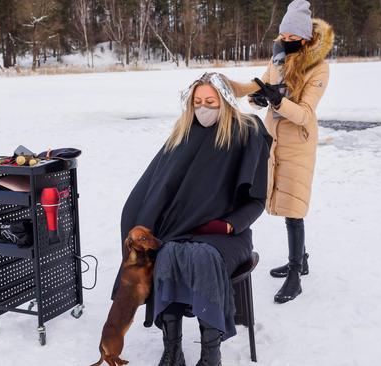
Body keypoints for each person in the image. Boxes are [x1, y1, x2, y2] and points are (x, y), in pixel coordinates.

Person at [113, 72, 271, 366]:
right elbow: (156, 187)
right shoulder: (183, 134)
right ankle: (172, 349)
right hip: (180, 229)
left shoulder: (247, 132)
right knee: (167, 253)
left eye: (210, 101)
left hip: (226, 235)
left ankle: (211, 354)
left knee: (202, 257)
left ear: (224, 100)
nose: (203, 108)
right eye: (197, 102)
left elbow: (257, 201)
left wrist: (227, 225)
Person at [228, 0, 334, 303]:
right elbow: (257, 86)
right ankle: (299, 259)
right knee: (280, 201)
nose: (285, 41)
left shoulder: (319, 68)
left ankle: (295, 273)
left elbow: (304, 114)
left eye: (292, 37)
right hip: (272, 140)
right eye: (282, 35)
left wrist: (277, 102)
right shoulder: (276, 60)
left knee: (294, 208)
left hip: (298, 143)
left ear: (305, 37)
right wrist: (252, 97)